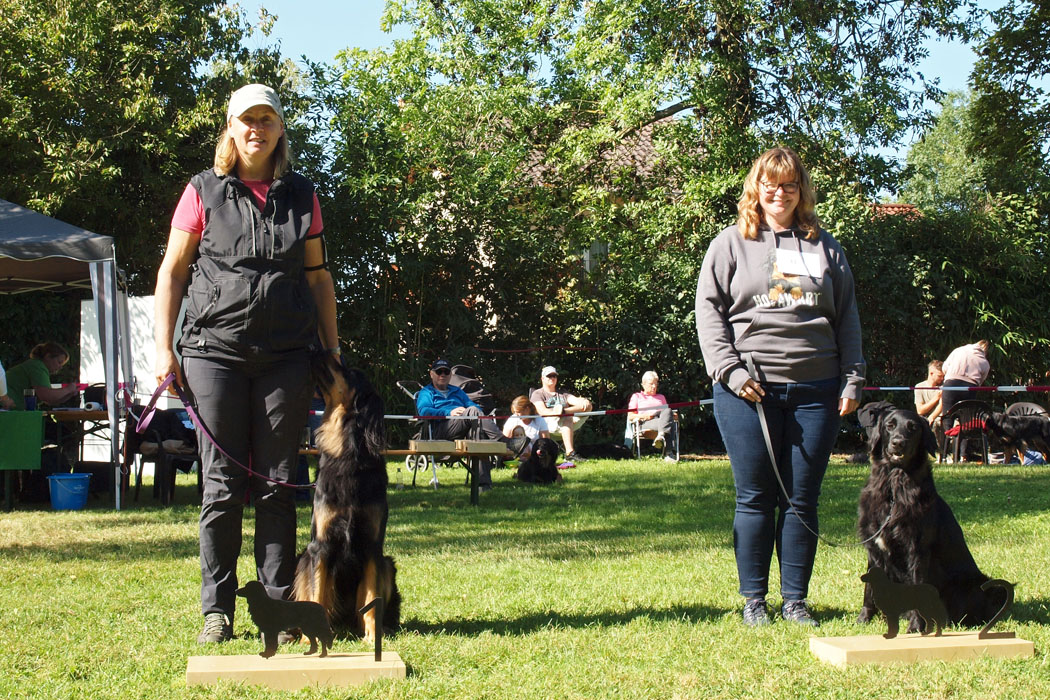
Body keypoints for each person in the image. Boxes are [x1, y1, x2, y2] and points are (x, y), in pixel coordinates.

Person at [153, 84, 340, 645]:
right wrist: (165, 349)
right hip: (213, 354)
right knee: (221, 485)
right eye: (246, 120)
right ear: (230, 129)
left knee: (280, 484)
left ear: (280, 129)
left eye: (267, 119)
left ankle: (280, 607)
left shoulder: (302, 195)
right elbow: (173, 273)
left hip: (286, 358)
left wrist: (331, 355)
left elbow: (318, 278)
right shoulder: (202, 191)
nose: (256, 129)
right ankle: (218, 610)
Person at [695, 146, 865, 628]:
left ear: (801, 191)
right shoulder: (729, 244)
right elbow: (708, 313)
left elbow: (847, 315)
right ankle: (755, 602)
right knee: (754, 496)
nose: (779, 192)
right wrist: (730, 370)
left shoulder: (824, 246)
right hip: (748, 388)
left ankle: (795, 602)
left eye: (789, 184)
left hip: (817, 388)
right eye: (770, 183)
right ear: (756, 188)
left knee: (800, 498)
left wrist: (854, 377)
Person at [415, 358, 522, 490]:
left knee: (479, 432)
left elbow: (473, 406)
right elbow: (424, 411)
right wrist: (450, 412)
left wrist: (471, 411)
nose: (442, 374)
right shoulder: (426, 392)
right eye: (439, 372)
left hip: (463, 428)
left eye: (446, 372)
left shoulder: (457, 391)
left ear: (450, 375)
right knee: (473, 413)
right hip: (438, 430)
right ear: (432, 374)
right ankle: (505, 442)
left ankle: (483, 484)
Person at [530, 366, 593, 462]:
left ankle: (565, 414)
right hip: (548, 424)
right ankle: (570, 453)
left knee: (588, 406)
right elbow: (542, 411)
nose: (552, 378)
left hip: (567, 419)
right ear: (542, 378)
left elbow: (579, 402)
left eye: (554, 376)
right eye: (549, 376)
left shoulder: (563, 393)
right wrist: (556, 413)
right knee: (567, 418)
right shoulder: (538, 394)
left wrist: (563, 411)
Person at [4, 342, 80, 409]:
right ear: (48, 356)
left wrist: (68, 394)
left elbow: (49, 400)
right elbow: (46, 396)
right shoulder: (38, 367)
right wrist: (68, 389)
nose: (60, 367)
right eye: (59, 362)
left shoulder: (36, 365)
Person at [625, 371, 678, 462]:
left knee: (668, 411)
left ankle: (661, 435)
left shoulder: (661, 397)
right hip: (646, 423)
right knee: (670, 424)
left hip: (660, 421)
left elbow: (666, 414)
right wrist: (644, 416)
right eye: (651, 384)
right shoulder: (637, 396)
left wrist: (673, 415)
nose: (654, 386)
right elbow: (631, 416)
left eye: (656, 384)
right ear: (643, 384)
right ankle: (669, 453)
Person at [940, 340, 990, 416]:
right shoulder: (985, 362)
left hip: (951, 384)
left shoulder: (958, 350)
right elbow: (981, 381)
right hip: (970, 388)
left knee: (947, 415)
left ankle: (947, 427)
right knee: (966, 417)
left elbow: (945, 367)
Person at [502, 395, 550, 462]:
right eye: (515, 412)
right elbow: (504, 441)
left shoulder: (539, 420)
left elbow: (546, 441)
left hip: (535, 455)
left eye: (518, 412)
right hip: (515, 454)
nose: (516, 415)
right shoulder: (512, 419)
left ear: (527, 409)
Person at [914, 360, 944, 425]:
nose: (942, 378)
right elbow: (920, 411)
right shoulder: (919, 387)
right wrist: (936, 398)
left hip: (939, 420)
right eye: (939, 376)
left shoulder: (943, 386)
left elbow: (941, 405)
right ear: (931, 373)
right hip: (924, 420)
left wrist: (932, 417)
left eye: (943, 376)